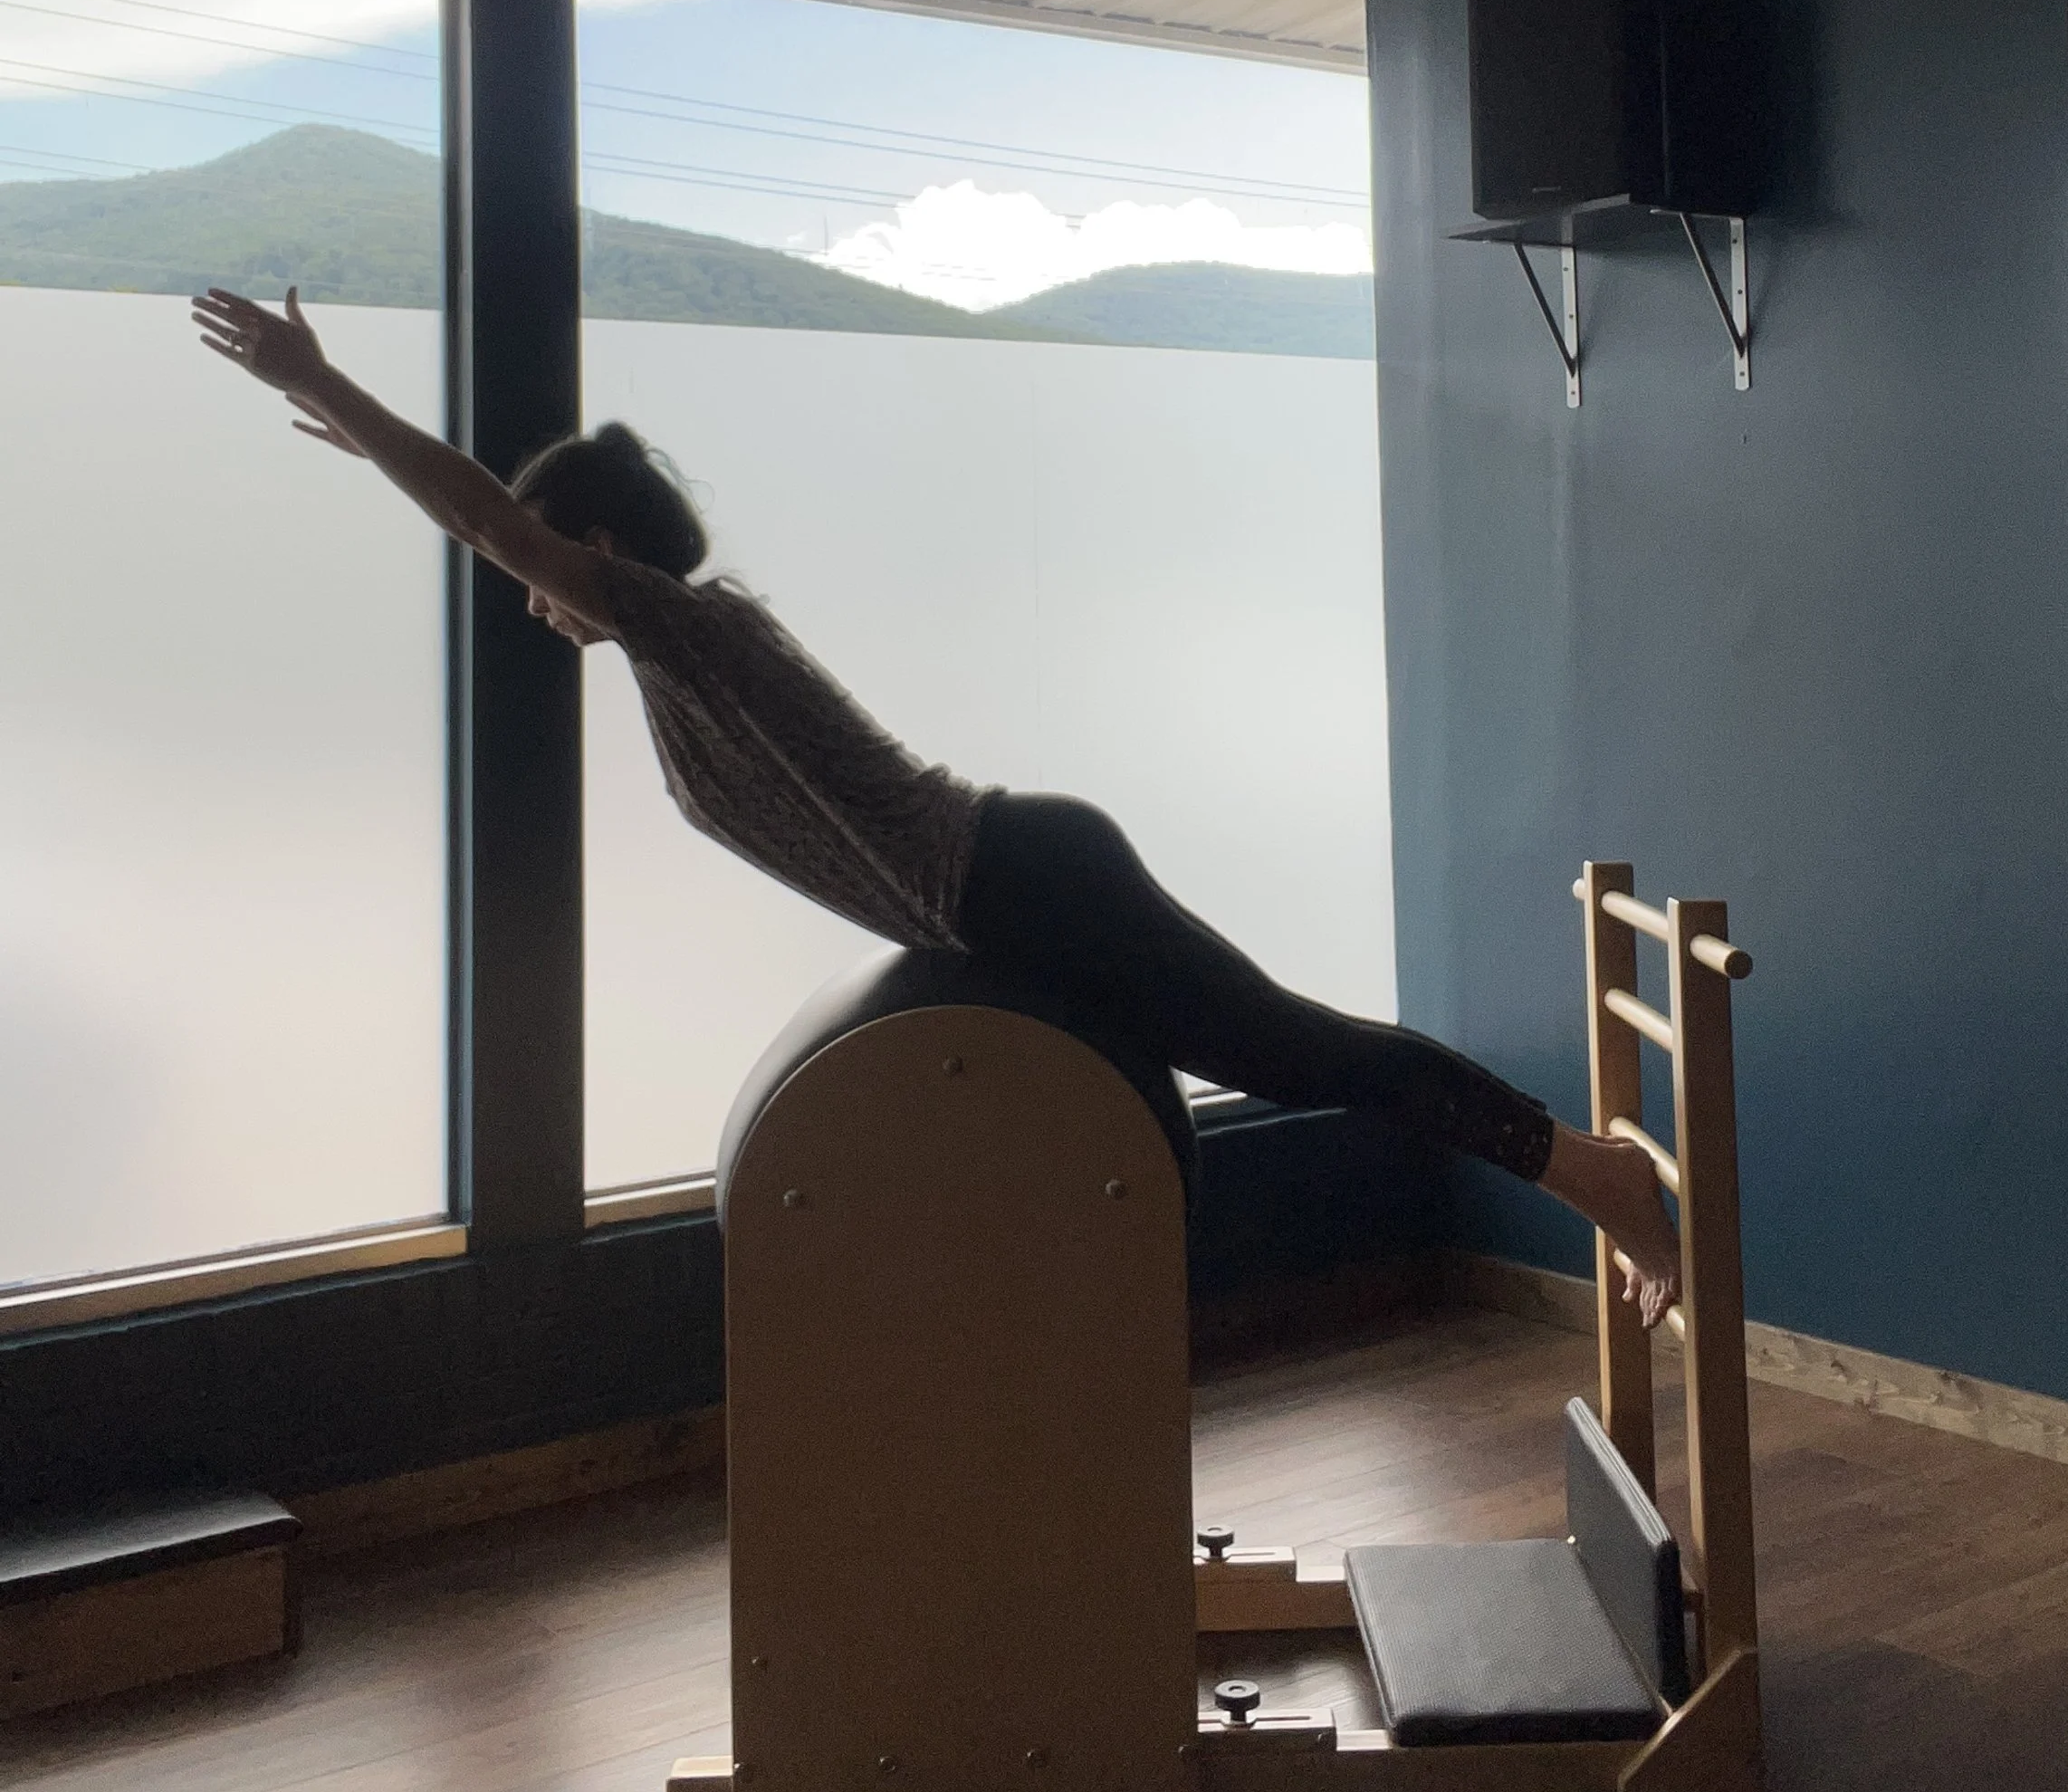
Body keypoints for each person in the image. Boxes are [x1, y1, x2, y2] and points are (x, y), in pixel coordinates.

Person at [191, 283, 1681, 1321]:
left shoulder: (685, 625)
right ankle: (1589, 1166)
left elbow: (490, 517)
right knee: (1287, 1048)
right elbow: (494, 523)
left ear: (588, 546)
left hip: (1022, 879)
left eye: (535, 566)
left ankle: (1593, 1172)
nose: (525, 595)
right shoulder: (684, 657)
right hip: (1016, 883)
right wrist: (381, 450)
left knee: (1294, 1050)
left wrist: (323, 384)